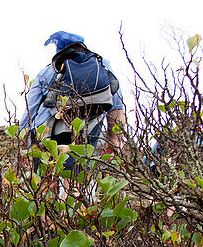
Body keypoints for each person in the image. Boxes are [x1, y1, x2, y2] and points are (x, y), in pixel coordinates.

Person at [21, 31, 126, 166]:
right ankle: (74, 185)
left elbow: (30, 111)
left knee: (46, 175)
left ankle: (48, 184)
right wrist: (116, 139)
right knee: (77, 172)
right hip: (88, 127)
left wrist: (23, 144)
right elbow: (116, 103)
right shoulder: (101, 65)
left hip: (49, 129)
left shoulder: (48, 71)